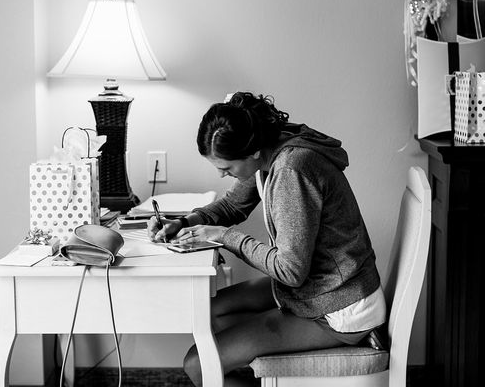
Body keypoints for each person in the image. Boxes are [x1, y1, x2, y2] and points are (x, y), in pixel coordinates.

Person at [147, 92, 385, 387]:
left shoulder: (291, 171)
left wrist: (225, 237)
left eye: (227, 168)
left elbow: (290, 271)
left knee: (197, 365)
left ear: (253, 152)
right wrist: (183, 222)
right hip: (319, 285)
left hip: (339, 306)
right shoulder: (270, 146)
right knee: (211, 313)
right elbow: (232, 205)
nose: (223, 176)